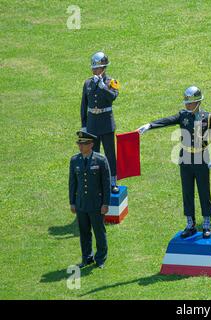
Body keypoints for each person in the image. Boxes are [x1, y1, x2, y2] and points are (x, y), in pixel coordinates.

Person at [137, 86, 211, 239]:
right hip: (185, 158)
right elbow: (167, 121)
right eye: (186, 103)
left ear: (198, 102)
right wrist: (150, 125)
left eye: (190, 103)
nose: (187, 105)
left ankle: (206, 223)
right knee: (187, 192)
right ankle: (190, 223)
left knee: (204, 191)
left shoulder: (207, 117)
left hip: (201, 157)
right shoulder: (183, 116)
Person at [69, 131, 111, 269]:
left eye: (84, 144)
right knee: (84, 233)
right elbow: (72, 183)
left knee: (99, 232)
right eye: (79, 143)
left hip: (96, 204)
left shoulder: (100, 160)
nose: (80, 146)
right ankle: (87, 258)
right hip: (81, 204)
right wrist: (72, 202)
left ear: (91, 145)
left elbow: (106, 184)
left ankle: (100, 259)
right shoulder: (75, 160)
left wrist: (105, 203)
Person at [80, 51, 120, 194]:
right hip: (92, 124)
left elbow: (112, 98)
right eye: (93, 68)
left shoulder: (111, 82)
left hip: (106, 124)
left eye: (97, 68)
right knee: (94, 154)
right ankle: (96, 182)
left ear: (103, 69)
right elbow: (84, 105)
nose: (94, 70)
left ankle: (113, 182)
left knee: (109, 154)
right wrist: (84, 125)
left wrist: (102, 86)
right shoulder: (87, 83)